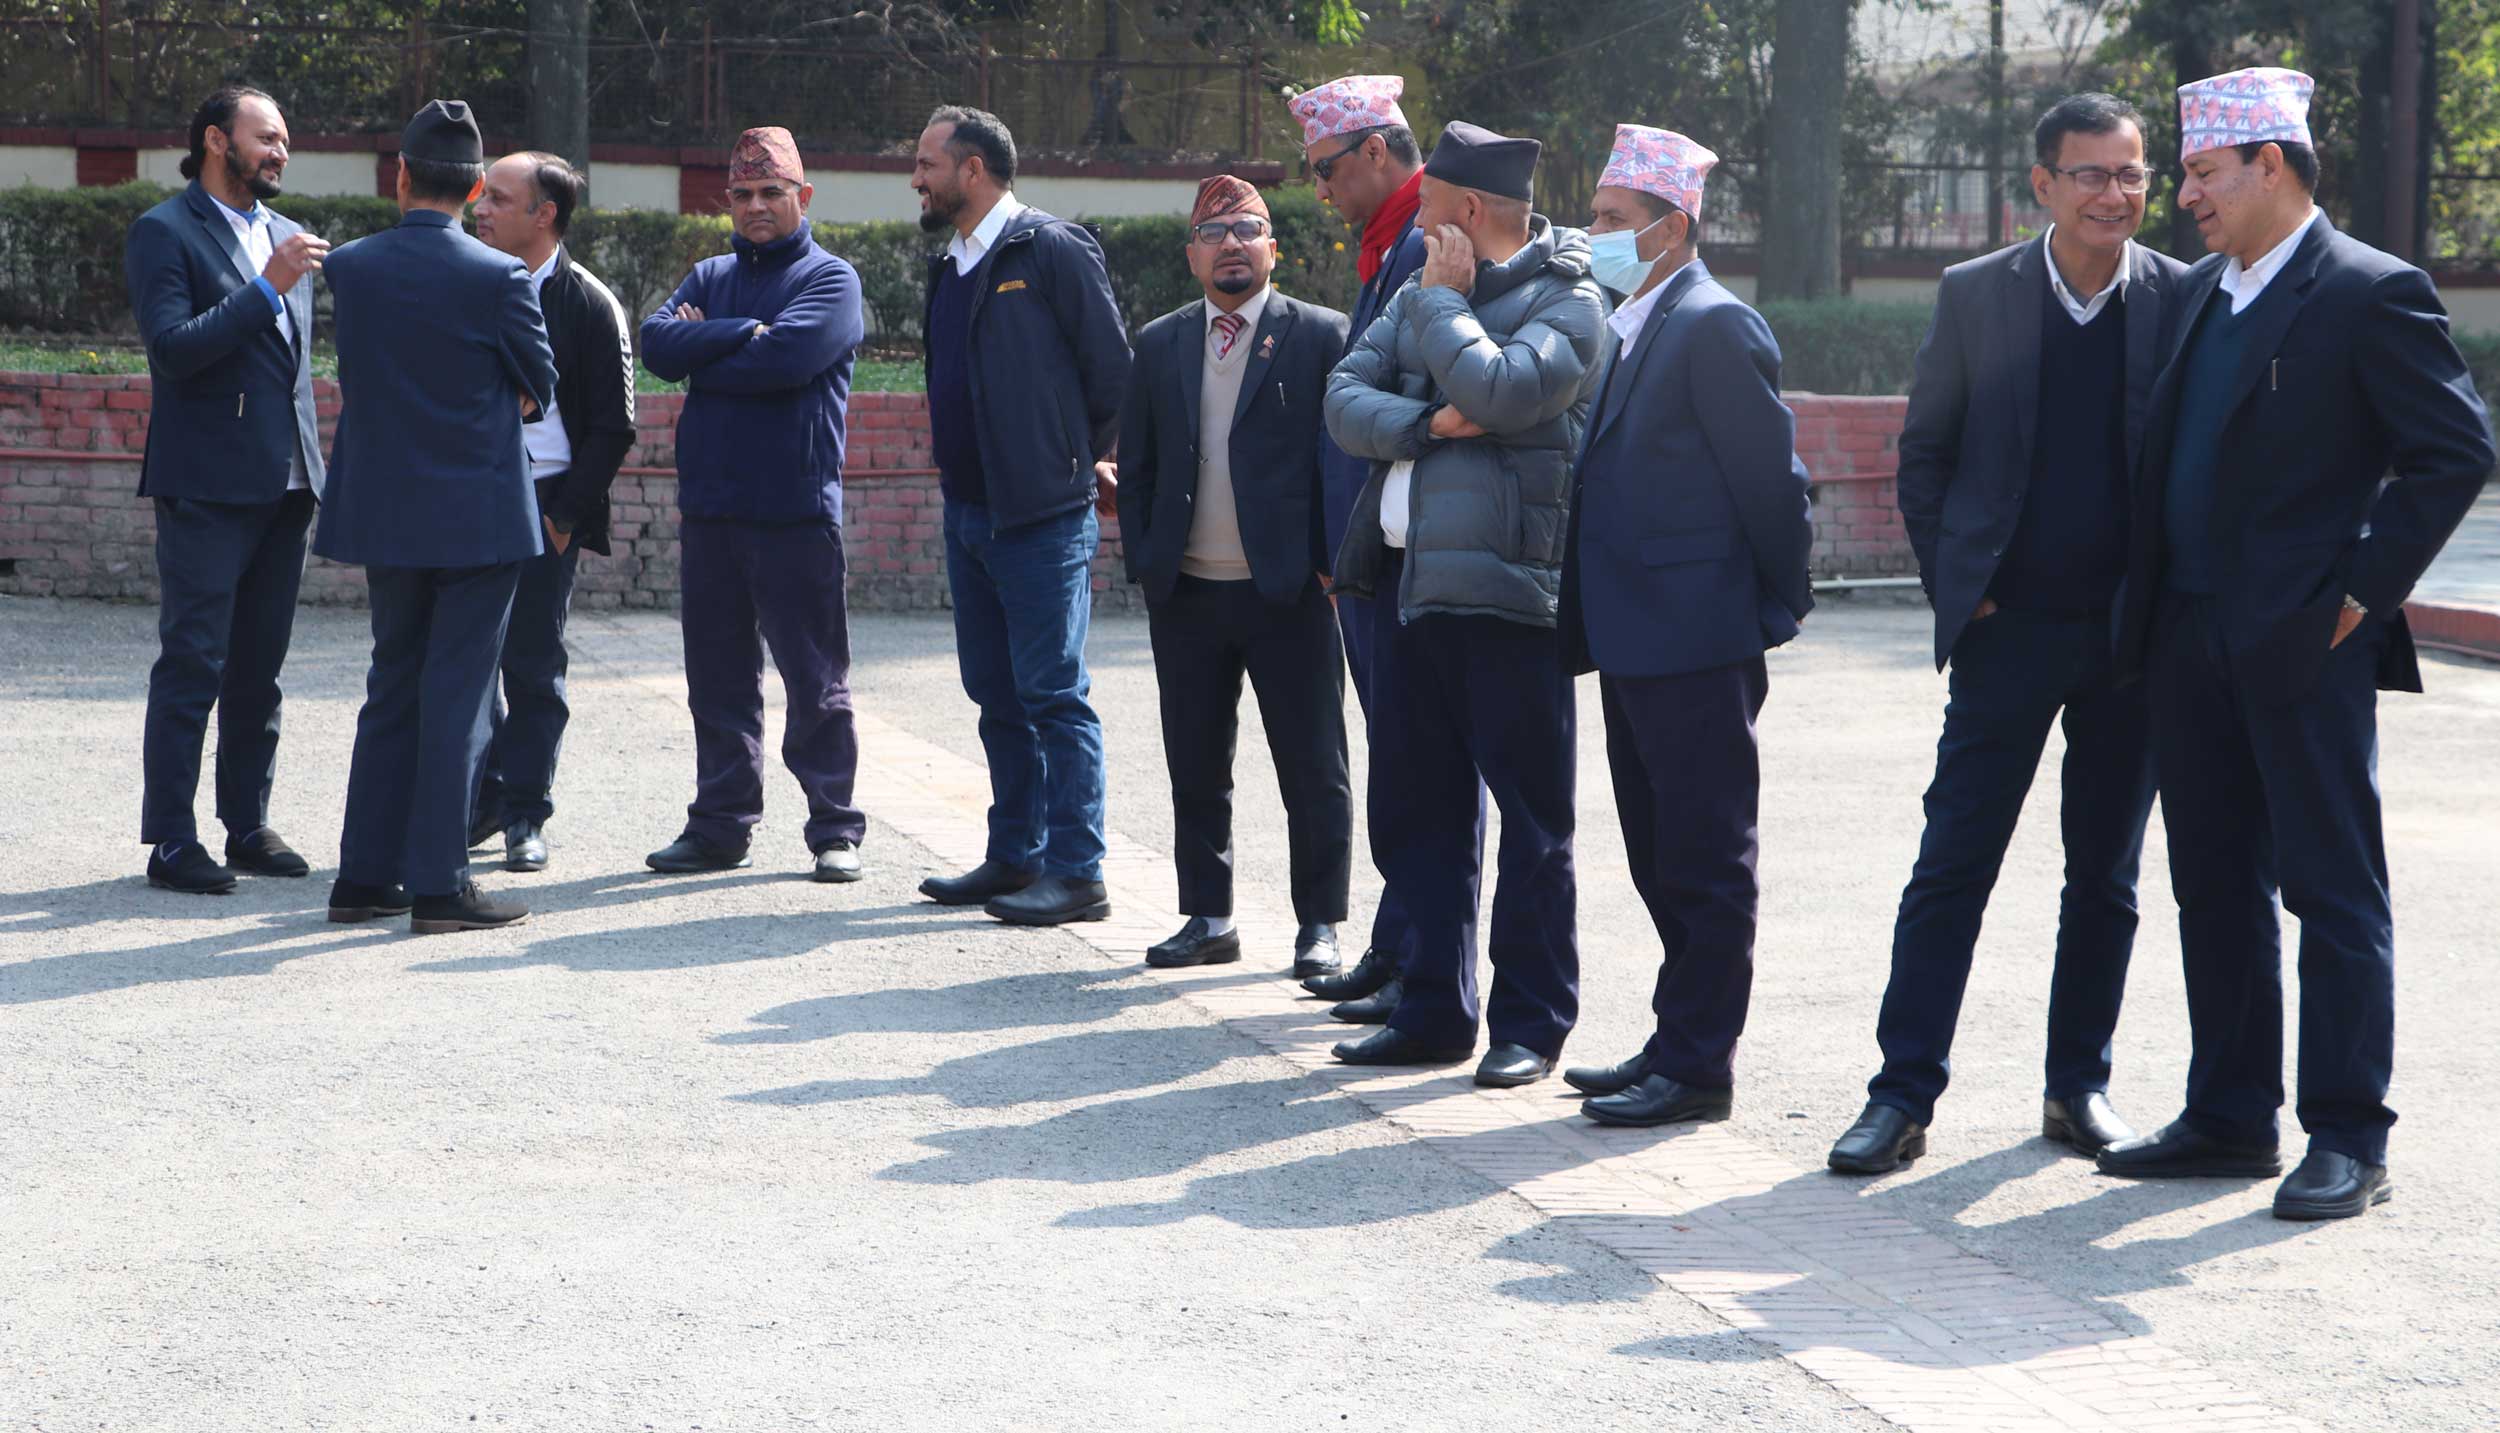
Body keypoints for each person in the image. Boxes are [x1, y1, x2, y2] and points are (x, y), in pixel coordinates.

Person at [2100, 69, 2493, 1220]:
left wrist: (2359, 590)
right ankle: (2229, 1115)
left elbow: (2452, 453)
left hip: (2305, 642)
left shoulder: (2368, 291)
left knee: (2330, 885)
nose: (2184, 196)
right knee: (2212, 881)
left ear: (2270, 164)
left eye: (2202, 173)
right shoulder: (2198, 294)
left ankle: (2348, 1132)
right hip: (2186, 634)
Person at [1826, 95, 2189, 1174]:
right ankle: (1900, 1095)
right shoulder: (1977, 293)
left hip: (2127, 643)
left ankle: (2077, 1087)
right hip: (2008, 632)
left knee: (2105, 877)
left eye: (2131, 174)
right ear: (2042, 184)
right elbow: (1925, 454)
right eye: (2091, 174)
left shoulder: (2181, 297)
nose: (2114, 194)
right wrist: (1962, 587)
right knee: (1952, 864)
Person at [1322, 122, 1608, 1088]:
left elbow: (1505, 389)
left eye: (1431, 210)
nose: (1418, 226)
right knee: (1421, 813)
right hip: (1408, 590)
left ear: (1471, 211)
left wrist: (1444, 312)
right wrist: (1427, 424)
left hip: (1508, 598)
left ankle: (1531, 1022)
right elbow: (1343, 396)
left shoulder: (1568, 300)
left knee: (1532, 824)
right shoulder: (1421, 287)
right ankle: (1432, 1011)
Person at [1553, 125, 1815, 1128]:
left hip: (1696, 635)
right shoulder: (1635, 320)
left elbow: (1772, 485)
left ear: (1671, 228)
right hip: (1634, 635)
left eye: (1613, 218)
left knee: (1705, 856)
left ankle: (1701, 1063)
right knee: (1658, 851)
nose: (1596, 233)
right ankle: (1674, 1039)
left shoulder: (1712, 322)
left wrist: (1765, 607)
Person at [312, 100, 557, 934]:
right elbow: (540, 382)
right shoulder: (500, 276)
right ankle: (441, 884)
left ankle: (362, 876)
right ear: (477, 186)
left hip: (387, 506)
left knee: (391, 684)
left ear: (402, 176)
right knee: (458, 696)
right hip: (479, 512)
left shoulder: (351, 266)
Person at [1115, 175, 1354, 975]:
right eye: (1213, 233)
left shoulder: (1320, 335)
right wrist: (1147, 563)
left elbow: (1341, 463)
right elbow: (1139, 463)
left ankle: (1319, 925)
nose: (1230, 245)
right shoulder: (1160, 342)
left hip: (1289, 591)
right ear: (1191, 255)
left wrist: (1331, 566)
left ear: (1273, 249)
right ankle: (1208, 916)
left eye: (1247, 230)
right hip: (1187, 590)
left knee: (1312, 766)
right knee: (1195, 765)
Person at [909, 104, 1132, 925]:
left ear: (972, 170)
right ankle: (1015, 854)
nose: (916, 179)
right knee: (995, 694)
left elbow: (1113, 372)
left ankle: (1078, 872)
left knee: (1053, 695)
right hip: (969, 514)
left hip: (1042, 517)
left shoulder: (1052, 249)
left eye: (928, 164)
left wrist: (1077, 459)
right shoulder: (950, 263)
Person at [1285, 73, 1472, 1019]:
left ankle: (1427, 969)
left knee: (1426, 768)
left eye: (1325, 170)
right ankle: (1400, 945)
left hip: (1409, 550)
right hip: (1369, 551)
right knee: (1397, 762)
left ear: (1374, 151)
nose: (1319, 190)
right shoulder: (1385, 245)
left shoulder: (1428, 246)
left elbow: (1407, 396)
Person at [639, 127, 871, 884]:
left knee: (815, 681)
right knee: (717, 680)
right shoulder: (712, 275)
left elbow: (786, 362)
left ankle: (834, 828)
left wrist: (706, 350)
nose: (756, 206)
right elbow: (656, 346)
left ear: (804, 196)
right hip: (711, 508)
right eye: (742, 194)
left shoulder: (831, 280)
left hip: (795, 508)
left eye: (772, 192)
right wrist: (740, 333)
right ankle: (720, 826)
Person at [124, 85, 327, 894]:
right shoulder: (165, 231)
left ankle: (247, 824)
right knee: (194, 662)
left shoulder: (287, 235)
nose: (280, 153)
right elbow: (173, 350)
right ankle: (172, 839)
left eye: (284, 141)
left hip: (289, 484)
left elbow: (294, 368)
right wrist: (266, 287)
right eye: (266, 138)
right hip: (207, 486)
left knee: (259, 670)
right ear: (216, 141)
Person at [466, 150, 636, 875]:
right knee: (465, 664)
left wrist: (565, 517)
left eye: (499, 199)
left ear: (545, 215)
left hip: (545, 503)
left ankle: (525, 813)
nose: (480, 209)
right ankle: (480, 799)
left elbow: (614, 427)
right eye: (481, 195)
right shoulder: (468, 284)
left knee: (534, 665)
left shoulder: (590, 302)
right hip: (470, 498)